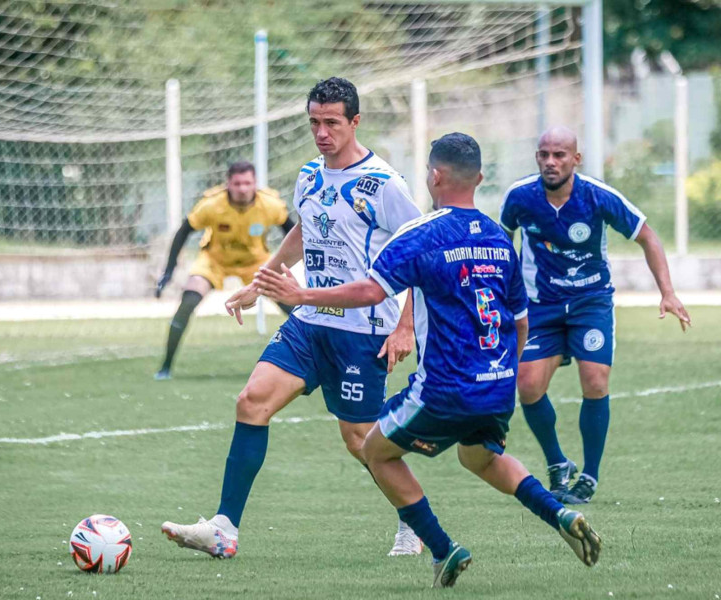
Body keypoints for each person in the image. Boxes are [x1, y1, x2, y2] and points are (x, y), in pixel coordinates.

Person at [255, 132, 601, 588]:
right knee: (482, 458)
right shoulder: (499, 238)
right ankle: (557, 512)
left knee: (374, 451)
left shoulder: (421, 233)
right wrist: (504, 371)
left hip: (443, 386)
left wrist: (302, 293)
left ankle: (441, 548)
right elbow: (520, 322)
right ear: (479, 178)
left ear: (434, 176)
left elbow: (370, 291)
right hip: (496, 386)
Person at [161, 77, 425, 558]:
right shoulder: (309, 176)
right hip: (308, 322)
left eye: (331, 123)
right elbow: (303, 233)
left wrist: (406, 323)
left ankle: (415, 523)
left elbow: (420, 252)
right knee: (252, 401)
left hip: (362, 328)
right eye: (314, 123)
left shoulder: (384, 184)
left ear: (355, 122)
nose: (321, 133)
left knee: (360, 440)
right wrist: (259, 283)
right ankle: (224, 527)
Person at [500, 126, 691, 504]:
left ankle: (589, 475)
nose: (551, 162)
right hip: (541, 305)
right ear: (537, 157)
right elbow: (502, 240)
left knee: (595, 380)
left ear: (576, 159)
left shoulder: (597, 196)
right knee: (528, 384)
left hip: (590, 302)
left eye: (559, 155)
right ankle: (557, 463)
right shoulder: (520, 197)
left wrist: (667, 292)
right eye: (544, 155)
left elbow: (647, 236)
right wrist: (503, 295)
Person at [153, 161, 295, 380]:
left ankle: (315, 359)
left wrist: (286, 269)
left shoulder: (270, 205)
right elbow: (184, 231)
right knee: (188, 301)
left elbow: (293, 233)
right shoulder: (211, 204)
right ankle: (165, 367)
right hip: (214, 260)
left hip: (255, 262)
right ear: (228, 184)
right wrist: (169, 271)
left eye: (247, 183)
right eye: (237, 183)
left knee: (293, 306)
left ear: (255, 183)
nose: (242, 188)